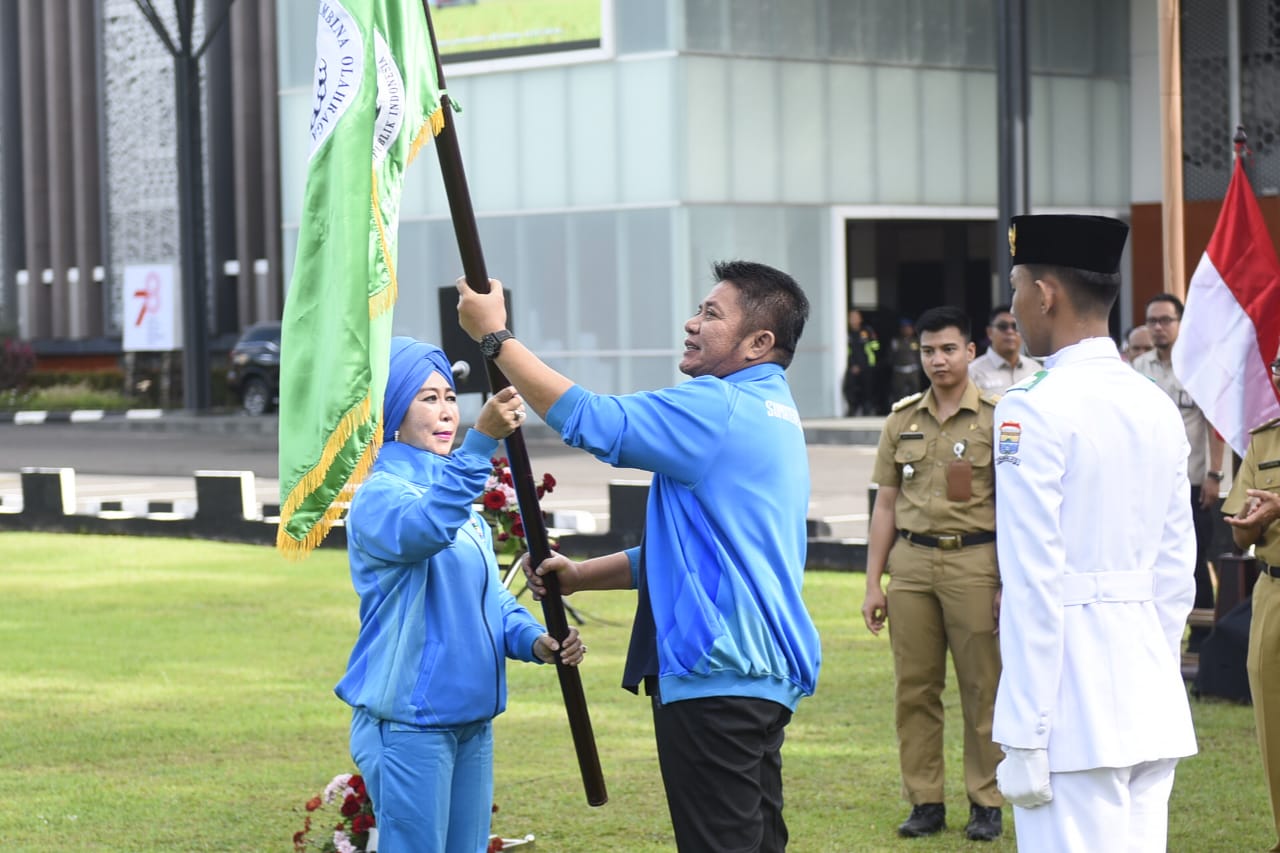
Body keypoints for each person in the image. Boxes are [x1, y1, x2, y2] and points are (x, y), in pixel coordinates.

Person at [457, 261, 822, 853]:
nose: (691, 322)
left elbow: (593, 422)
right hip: (755, 676)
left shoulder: (718, 406)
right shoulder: (773, 411)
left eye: (711, 314)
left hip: (715, 677)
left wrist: (497, 340)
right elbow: (687, 552)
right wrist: (578, 577)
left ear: (759, 343)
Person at [994, 214, 1197, 850]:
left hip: (1070, 706)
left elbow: (1031, 584)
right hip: (1148, 694)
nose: (1016, 306)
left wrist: (1025, 730)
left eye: (1018, 286)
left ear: (1046, 292)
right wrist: (1154, 671)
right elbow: (1176, 570)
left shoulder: (1030, 406)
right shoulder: (1153, 402)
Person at [334, 337, 585, 853]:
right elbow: (425, 529)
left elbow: (489, 598)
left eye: (450, 396)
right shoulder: (381, 497)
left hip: (471, 718)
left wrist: (537, 640)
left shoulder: (459, 502)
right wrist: (479, 444)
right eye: (427, 398)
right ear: (391, 414)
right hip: (410, 721)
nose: (447, 411)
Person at [861, 305, 1004, 842]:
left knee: (981, 687)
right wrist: (874, 582)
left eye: (948, 348)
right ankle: (925, 800)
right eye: (928, 351)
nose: (937, 360)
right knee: (915, 688)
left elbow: (1017, 507)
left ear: (970, 351)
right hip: (912, 564)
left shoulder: (997, 417)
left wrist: (1007, 582)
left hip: (975, 562)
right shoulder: (902, 419)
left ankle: (985, 800)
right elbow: (884, 506)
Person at [1132, 293, 1227, 651]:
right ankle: (1159, 633)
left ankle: (1203, 636)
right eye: (1152, 321)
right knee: (1154, 559)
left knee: (1195, 559)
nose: (1158, 327)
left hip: (1193, 481)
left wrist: (1215, 475)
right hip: (1150, 485)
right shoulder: (1139, 368)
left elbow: (1212, 424)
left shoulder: (1197, 367)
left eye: (1165, 320)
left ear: (1180, 323)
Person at [1224, 343, 1280, 852]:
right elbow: (1238, 535)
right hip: (1273, 590)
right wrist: (1253, 522)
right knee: (1273, 719)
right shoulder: (1262, 442)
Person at [968, 305, 1041, 395]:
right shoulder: (973, 371)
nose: (1010, 331)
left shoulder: (1035, 369)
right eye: (1003, 326)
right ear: (990, 332)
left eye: (1015, 326)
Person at [843, 308, 880, 416]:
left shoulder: (867, 331)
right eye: (851, 317)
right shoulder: (846, 332)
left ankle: (867, 409)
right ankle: (852, 408)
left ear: (860, 319)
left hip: (867, 366)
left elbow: (876, 346)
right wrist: (853, 365)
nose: (853, 319)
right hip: (852, 366)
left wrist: (862, 365)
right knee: (849, 387)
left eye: (855, 317)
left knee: (868, 389)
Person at [887, 317, 924, 403]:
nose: (907, 330)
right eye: (904, 328)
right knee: (899, 393)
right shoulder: (896, 341)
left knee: (915, 393)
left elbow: (920, 355)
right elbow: (890, 357)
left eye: (908, 328)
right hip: (899, 371)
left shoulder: (917, 341)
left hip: (913, 371)